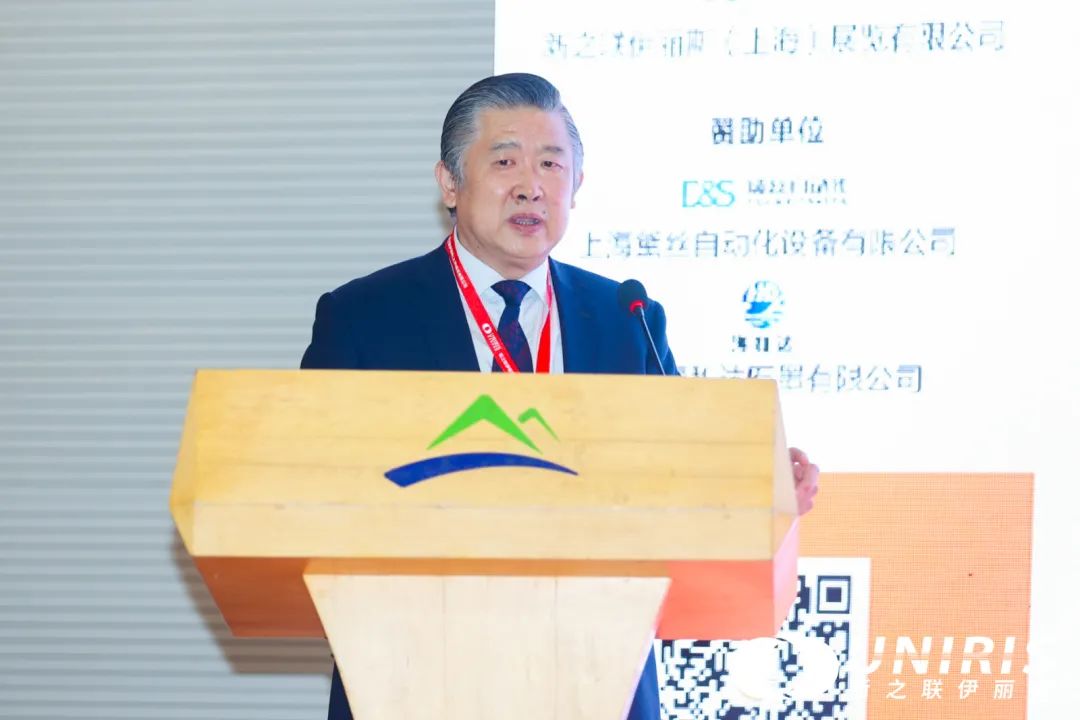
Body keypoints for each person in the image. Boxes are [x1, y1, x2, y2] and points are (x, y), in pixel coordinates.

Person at [301, 72, 820, 720]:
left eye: (551, 164)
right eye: (505, 161)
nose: (531, 185)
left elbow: (678, 480)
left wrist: (762, 492)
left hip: (597, 674)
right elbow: (304, 489)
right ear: (449, 184)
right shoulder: (366, 317)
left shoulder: (627, 317)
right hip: (412, 676)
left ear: (575, 186)